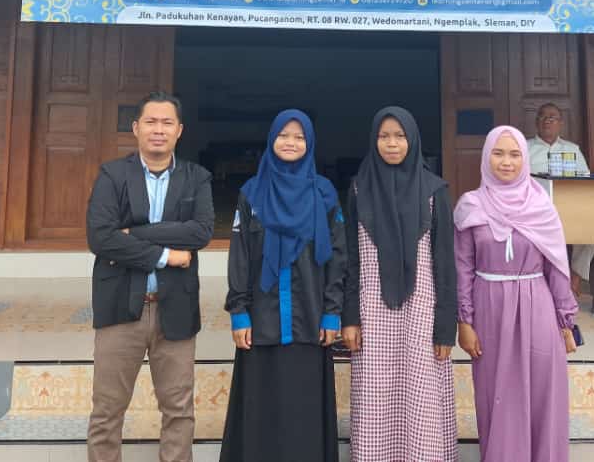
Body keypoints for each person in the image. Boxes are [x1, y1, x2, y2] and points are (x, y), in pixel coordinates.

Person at [85, 90, 214, 462]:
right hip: (120, 309)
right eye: (151, 122)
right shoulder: (113, 174)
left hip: (175, 309)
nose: (159, 130)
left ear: (179, 131)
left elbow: (201, 232)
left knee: (178, 410)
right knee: (107, 412)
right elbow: (100, 238)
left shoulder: (197, 177)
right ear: (136, 128)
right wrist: (165, 256)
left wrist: (136, 233)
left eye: (167, 123)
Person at [221, 109, 346, 462]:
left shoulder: (323, 194)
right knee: (261, 407)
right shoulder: (252, 194)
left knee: (303, 411)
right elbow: (240, 255)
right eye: (283, 135)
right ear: (271, 140)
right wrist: (239, 312)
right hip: (262, 320)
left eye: (299, 137)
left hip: (310, 318)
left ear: (310, 144)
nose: (290, 143)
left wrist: (332, 312)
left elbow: (338, 256)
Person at [455, 126, 577, 462]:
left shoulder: (542, 206)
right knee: (496, 393)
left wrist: (565, 321)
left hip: (537, 306)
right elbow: (462, 267)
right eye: (498, 153)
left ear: (524, 159)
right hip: (489, 308)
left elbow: (557, 267)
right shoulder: (471, 206)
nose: (506, 162)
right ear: (486, 157)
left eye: (514, 154)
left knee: (541, 393)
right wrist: (464, 321)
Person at [342, 106, 458, 462]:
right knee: (376, 391)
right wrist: (349, 317)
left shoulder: (434, 191)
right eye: (383, 136)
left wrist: (445, 327)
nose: (391, 144)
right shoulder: (360, 189)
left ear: (413, 139)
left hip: (422, 309)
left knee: (421, 391)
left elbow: (444, 263)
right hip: (372, 311)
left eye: (399, 136)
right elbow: (349, 257)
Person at [527, 103, 592, 294]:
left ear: (560, 123)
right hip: (534, 210)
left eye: (552, 117)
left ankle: (575, 278)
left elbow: (585, 181)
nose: (547, 120)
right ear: (536, 122)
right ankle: (538, 280)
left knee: (591, 231)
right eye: (542, 116)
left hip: (568, 209)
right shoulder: (524, 148)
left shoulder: (572, 149)